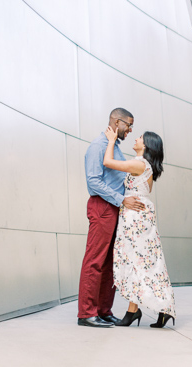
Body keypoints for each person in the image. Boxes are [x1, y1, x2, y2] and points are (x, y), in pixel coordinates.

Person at [77, 108, 145, 328]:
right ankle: (86, 313)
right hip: (102, 207)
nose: (131, 130)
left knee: (110, 264)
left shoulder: (114, 147)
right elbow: (93, 182)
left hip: (115, 208)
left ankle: (103, 311)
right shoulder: (98, 146)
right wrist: (121, 199)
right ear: (117, 122)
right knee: (94, 261)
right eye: (129, 125)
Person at [103, 126, 176, 328]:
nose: (135, 139)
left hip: (135, 218)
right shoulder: (147, 167)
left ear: (146, 145)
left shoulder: (140, 164)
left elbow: (107, 162)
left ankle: (138, 311)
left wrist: (110, 140)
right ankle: (153, 309)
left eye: (140, 137)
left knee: (137, 262)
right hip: (139, 216)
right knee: (145, 263)